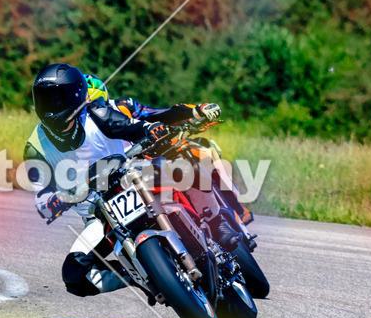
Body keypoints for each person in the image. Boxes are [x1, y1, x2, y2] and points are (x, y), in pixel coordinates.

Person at [24, 63, 222, 298]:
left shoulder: (97, 114)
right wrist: (60, 199)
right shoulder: (34, 147)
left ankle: (216, 224)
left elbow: (130, 126)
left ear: (77, 95)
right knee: (74, 277)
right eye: (44, 100)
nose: (49, 108)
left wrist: (151, 130)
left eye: (57, 99)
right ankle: (140, 275)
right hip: (102, 217)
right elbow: (42, 201)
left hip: (136, 182)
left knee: (183, 169)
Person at [85, 72, 252, 225]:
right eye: (86, 107)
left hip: (152, 155)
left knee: (200, 150)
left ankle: (236, 205)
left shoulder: (123, 105)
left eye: (96, 103)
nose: (93, 110)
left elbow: (156, 114)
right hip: (121, 174)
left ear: (104, 97)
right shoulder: (78, 129)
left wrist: (194, 111)